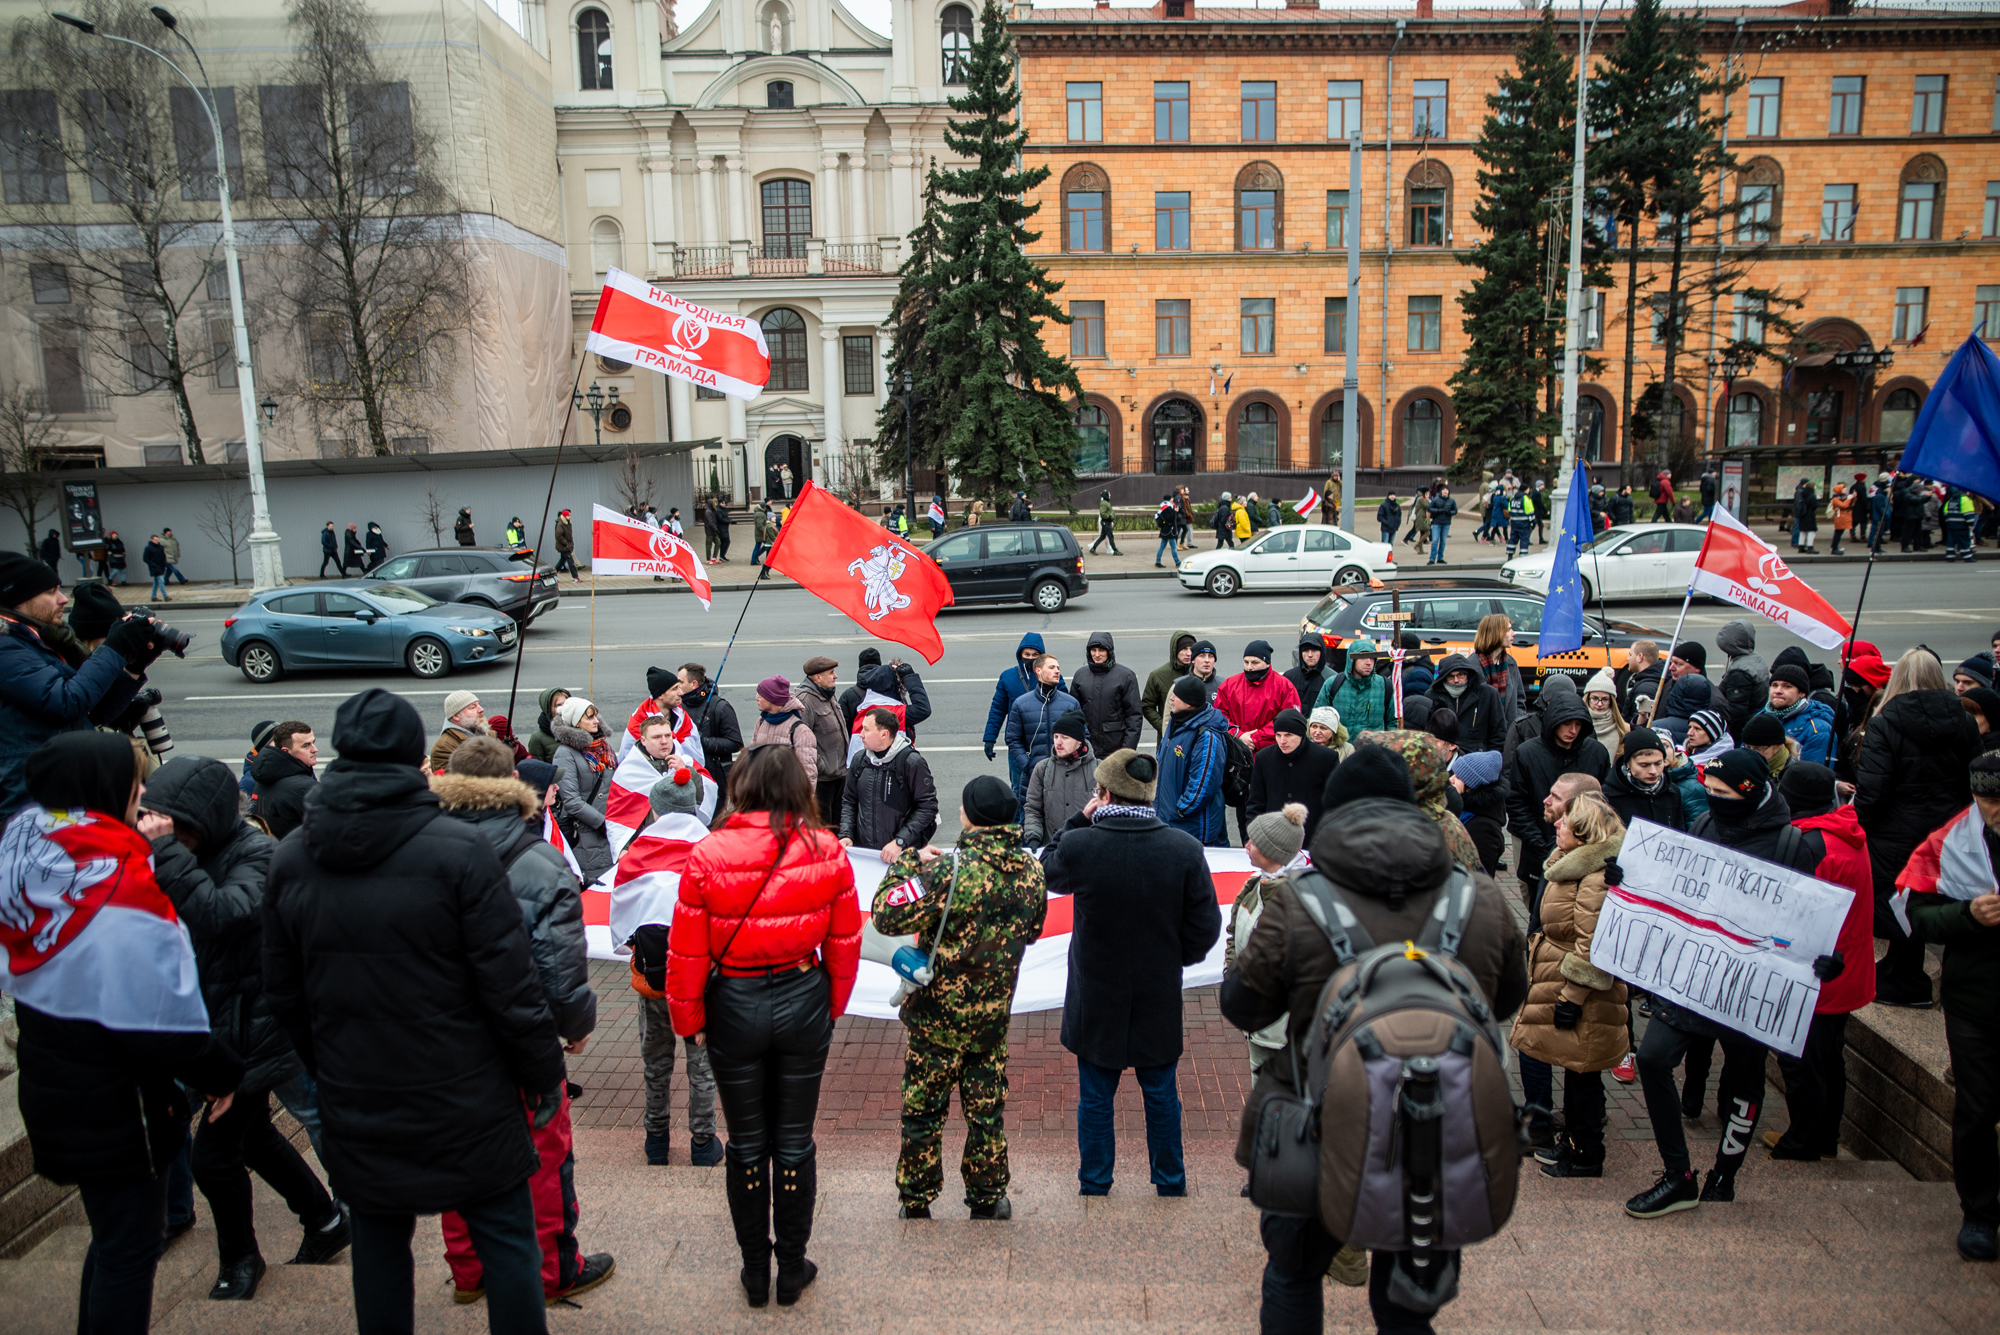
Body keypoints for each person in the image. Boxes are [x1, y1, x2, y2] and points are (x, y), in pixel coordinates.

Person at [262, 689, 567, 1334]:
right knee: (508, 1242)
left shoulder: (291, 857)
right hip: (469, 1089)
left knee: (378, 1244)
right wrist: (541, 1072)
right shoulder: (459, 852)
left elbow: (285, 993)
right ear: (414, 757)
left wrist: (332, 1065)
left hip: (360, 1087)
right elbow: (509, 986)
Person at [1222, 766, 1526, 1335]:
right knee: (1408, 1301)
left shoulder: (1298, 903)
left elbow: (1245, 1008)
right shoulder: (1478, 898)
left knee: (1293, 1275)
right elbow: (1508, 998)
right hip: (1435, 1123)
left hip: (1311, 1115)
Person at [5, 733, 246, 1335]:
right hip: (120, 1102)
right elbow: (159, 1016)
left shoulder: (30, 845)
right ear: (103, 791)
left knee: (111, 1236)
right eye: (133, 785)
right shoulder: (116, 879)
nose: (142, 797)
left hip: (54, 1077)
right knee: (131, 1249)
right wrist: (221, 1074)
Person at [138, 755, 345, 1299]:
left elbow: (224, 913)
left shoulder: (258, 853)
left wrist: (163, 855)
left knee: (213, 1153)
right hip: (219, 1026)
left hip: (258, 1030)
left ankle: (241, 1258)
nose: (167, 837)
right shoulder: (192, 853)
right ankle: (325, 1220)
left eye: (174, 828)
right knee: (253, 1139)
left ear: (200, 818)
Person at [665, 746, 859, 1306]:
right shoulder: (825, 850)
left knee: (748, 1143)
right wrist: (832, 1006)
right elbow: (844, 942)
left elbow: (686, 951)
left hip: (734, 1002)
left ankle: (756, 1269)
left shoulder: (708, 853)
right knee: (794, 1141)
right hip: (803, 997)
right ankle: (792, 1266)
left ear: (741, 787)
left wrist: (690, 1020)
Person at [433, 737, 613, 1304]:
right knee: (543, 1155)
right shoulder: (537, 858)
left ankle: (469, 1271)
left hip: (439, 1037)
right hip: (518, 1033)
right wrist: (575, 1023)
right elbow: (562, 959)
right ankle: (554, 1271)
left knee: (460, 1152)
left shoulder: (417, 846)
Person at [1626, 748, 1829, 1218]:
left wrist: (1821, 959)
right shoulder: (1703, 827)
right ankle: (1677, 1173)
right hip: (1694, 978)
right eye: (1709, 792)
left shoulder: (1791, 845)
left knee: (1743, 1082)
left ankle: (1725, 1173)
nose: (1713, 801)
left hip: (1750, 988)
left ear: (1749, 792)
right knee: (1654, 1059)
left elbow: (1809, 921)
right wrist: (1631, 883)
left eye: (1722, 794)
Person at [1041, 749, 1219, 1197]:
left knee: (1096, 1097)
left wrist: (1079, 821)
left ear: (1103, 792)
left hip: (1096, 991)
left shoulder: (1083, 845)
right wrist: (1173, 960)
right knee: (1161, 1093)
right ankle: (1169, 1180)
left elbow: (1046, 870)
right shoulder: (1182, 848)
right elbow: (1205, 927)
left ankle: (1096, 1182)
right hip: (1156, 990)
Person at [876, 777, 1046, 1219]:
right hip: (991, 1019)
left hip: (934, 1019)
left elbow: (885, 913)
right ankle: (988, 1197)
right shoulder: (1030, 872)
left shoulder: (946, 872)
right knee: (986, 1112)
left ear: (971, 817)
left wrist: (907, 862)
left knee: (923, 1111)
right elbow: (1032, 930)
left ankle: (916, 1199)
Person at [1904, 753, 2000, 1262]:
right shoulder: (1952, 844)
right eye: (1988, 799)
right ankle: (1980, 1214)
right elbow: (1916, 915)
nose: (1997, 810)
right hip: (1975, 1002)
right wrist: (1968, 915)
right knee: (1977, 1109)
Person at [1756, 762, 1875, 1165]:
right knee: (1828, 1058)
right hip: (1847, 965)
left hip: (1818, 972)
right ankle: (1825, 1136)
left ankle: (1802, 1141)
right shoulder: (1847, 832)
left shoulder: (1809, 844)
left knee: (1800, 1061)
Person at [1514, 793, 1629, 1180]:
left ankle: (1586, 1154)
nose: (1555, 824)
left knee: (1584, 1072)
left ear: (1584, 833)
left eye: (1564, 821)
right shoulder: (1570, 866)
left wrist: (1571, 997)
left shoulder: (1594, 878)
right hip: (1561, 978)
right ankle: (1576, 1142)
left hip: (1582, 992)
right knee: (1575, 1067)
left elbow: (1592, 943)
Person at [1856, 648, 1980, 1006]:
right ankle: (1902, 968)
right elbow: (1971, 779)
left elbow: (1874, 790)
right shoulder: (1963, 718)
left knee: (1898, 898)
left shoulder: (1885, 722)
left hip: (1896, 828)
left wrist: (1860, 824)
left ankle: (1905, 977)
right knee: (1923, 895)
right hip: (1947, 827)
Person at [0, 553, 151, 819]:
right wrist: (114, 646)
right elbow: (66, 701)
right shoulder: (6, 648)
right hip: (27, 803)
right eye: (50, 592)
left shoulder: (38, 641)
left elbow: (93, 712)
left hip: (56, 792)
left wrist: (133, 668)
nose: (63, 599)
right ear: (18, 600)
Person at [841, 706, 939, 863]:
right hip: (866, 856)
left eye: (866, 729)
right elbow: (849, 801)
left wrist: (900, 841)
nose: (861, 735)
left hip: (902, 858)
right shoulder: (859, 761)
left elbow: (927, 807)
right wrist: (846, 834)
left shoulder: (911, 762)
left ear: (884, 734)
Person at [1156, 675, 1230, 847]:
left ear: (1189, 703)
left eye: (1177, 695)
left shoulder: (1207, 735)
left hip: (1192, 829)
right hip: (1169, 822)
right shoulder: (1178, 722)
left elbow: (1204, 783)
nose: (1172, 699)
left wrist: (1182, 810)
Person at [551, 696, 618, 883]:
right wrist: (603, 824)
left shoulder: (603, 747)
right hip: (588, 832)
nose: (596, 721)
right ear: (576, 722)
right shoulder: (565, 753)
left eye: (596, 716)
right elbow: (572, 801)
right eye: (589, 717)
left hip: (611, 826)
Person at [1245, 708, 1338, 837]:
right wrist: (1252, 836)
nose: (1282, 741)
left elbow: (1334, 802)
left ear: (1301, 735)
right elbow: (1256, 802)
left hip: (1313, 836)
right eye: (1278, 735)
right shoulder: (1264, 758)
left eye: (1288, 735)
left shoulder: (1326, 758)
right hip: (1273, 836)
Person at [1005, 653, 1081, 803]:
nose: (1057, 671)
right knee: (1032, 819)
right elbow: (1012, 739)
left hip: (1065, 775)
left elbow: (1083, 737)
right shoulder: (1021, 704)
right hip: (1034, 777)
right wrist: (1027, 765)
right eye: (1051, 667)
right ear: (1038, 671)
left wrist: (1071, 763)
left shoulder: (1070, 703)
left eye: (1058, 668)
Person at [983, 634, 1056, 787]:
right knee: (1019, 787)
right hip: (1018, 744)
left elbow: (1065, 705)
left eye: (1035, 655)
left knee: (1048, 787)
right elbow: (998, 709)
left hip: (1045, 741)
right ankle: (1020, 812)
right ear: (1020, 654)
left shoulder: (1052, 675)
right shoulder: (1008, 677)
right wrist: (990, 738)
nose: (1030, 658)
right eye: (1027, 654)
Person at [1215, 639, 1303, 755]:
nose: (1249, 667)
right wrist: (1238, 735)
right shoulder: (1229, 685)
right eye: (1246, 662)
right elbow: (1219, 716)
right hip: (1236, 754)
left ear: (1267, 663)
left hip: (1271, 755)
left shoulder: (1284, 687)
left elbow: (1289, 720)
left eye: (1255, 663)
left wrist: (1255, 739)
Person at [1023, 711, 1095, 846]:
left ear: (1079, 741)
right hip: (1053, 849)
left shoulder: (1100, 770)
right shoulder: (1042, 769)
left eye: (1065, 737)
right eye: (1056, 737)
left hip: (1088, 849)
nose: (1058, 742)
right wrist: (1033, 836)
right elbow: (1033, 808)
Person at [1072, 631, 1143, 759]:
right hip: (1086, 748)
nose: (1097, 654)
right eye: (1093, 650)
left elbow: (1134, 717)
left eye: (1101, 650)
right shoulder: (1080, 676)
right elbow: (1074, 713)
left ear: (1109, 652)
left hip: (1114, 749)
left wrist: (1126, 752)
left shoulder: (1126, 676)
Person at [1602, 728, 1684, 831]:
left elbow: (1679, 832)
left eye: (1658, 763)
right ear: (1628, 763)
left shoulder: (1672, 791)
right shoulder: (1608, 796)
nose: (1653, 771)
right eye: (1644, 765)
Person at [680, 663, 744, 795]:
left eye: (680, 682)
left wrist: (703, 741)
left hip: (714, 778)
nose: (677, 686)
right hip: (686, 776)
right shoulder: (679, 706)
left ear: (694, 684)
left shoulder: (720, 707)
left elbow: (735, 743)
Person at [798, 656, 848, 825]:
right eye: (831, 673)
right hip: (822, 780)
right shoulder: (806, 700)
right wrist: (822, 766)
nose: (835, 676)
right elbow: (800, 740)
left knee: (837, 825)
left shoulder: (827, 694)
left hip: (837, 775)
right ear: (817, 677)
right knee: (823, 828)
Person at [249, 720, 319, 840]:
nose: (314, 749)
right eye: (305, 745)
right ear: (286, 751)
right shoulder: (305, 788)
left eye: (313, 742)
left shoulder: (263, 778)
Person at [1429, 653, 1507, 754]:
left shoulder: (1488, 694)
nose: (1456, 680)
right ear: (1443, 677)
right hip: (1444, 759)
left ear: (1468, 674)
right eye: (1451, 676)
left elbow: (1498, 734)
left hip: (1478, 759)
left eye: (1460, 675)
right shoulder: (1432, 696)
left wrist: (1491, 760)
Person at [1760, 663, 1834, 766]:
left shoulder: (1818, 729)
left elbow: (1813, 775)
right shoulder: (1760, 717)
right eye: (1774, 685)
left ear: (1802, 693)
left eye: (1787, 686)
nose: (1778, 691)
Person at [1449, 748, 1508, 874]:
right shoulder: (1464, 808)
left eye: (1458, 777)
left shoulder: (1484, 828)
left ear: (1472, 785)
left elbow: (1480, 875)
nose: (1451, 780)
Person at [751, 675, 817, 786]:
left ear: (772, 699)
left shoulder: (800, 731)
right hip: (761, 795)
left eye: (760, 695)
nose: (756, 698)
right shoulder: (761, 721)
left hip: (786, 798)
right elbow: (751, 759)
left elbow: (808, 775)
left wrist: (801, 802)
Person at [1314, 637, 1389, 734]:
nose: (1368, 663)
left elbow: (1393, 722)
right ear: (1352, 660)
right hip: (1341, 747)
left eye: (1372, 658)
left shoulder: (1384, 686)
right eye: (1363, 658)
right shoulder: (1333, 684)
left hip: (1372, 747)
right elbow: (1318, 719)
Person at [1142, 629, 1198, 746]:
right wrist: (1164, 726)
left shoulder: (1199, 673)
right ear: (1175, 651)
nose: (1188, 653)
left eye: (1191, 649)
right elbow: (1147, 706)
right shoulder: (1158, 675)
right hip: (1168, 738)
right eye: (1184, 649)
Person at [430, 690, 486, 773]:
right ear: (456, 716)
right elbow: (452, 782)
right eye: (473, 707)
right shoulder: (443, 748)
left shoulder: (486, 732)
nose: (481, 709)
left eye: (479, 704)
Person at [1284, 633, 1332, 713]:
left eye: (1314, 650)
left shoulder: (1331, 679)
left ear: (1322, 652)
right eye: (1306, 650)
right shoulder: (1289, 677)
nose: (1310, 655)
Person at [526, 686, 569, 763]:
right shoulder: (537, 738)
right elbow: (538, 769)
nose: (563, 708)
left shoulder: (580, 727)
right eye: (558, 705)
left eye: (566, 704)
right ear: (549, 709)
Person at [1425, 484, 1457, 565]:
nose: (1445, 491)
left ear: (1449, 491)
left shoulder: (1451, 501)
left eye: (1447, 490)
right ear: (1441, 491)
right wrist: (1438, 510)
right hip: (1437, 523)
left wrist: (1450, 512)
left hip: (1446, 523)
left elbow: (1455, 511)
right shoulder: (1436, 500)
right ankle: (1432, 558)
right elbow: (1430, 508)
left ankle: (1440, 558)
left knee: (1443, 541)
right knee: (1435, 541)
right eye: (1444, 490)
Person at [1152, 493, 1180, 567]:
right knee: (1173, 546)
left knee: (1162, 545)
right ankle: (1177, 562)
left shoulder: (1165, 507)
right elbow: (1169, 518)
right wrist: (1175, 512)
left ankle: (1158, 561)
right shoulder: (1167, 507)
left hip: (1165, 530)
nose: (1173, 500)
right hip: (1169, 530)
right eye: (1171, 499)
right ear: (1169, 499)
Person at [1089, 490, 1120, 555]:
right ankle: (1115, 550)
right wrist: (1109, 517)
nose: (1110, 495)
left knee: (1102, 536)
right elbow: (1102, 513)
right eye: (1109, 494)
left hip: (1106, 522)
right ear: (1106, 495)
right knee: (1110, 536)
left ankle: (1093, 548)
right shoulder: (1104, 503)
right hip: (1106, 522)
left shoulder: (1106, 503)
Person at [143, 534, 170, 600]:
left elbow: (163, 556)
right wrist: (152, 564)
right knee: (161, 580)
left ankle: (153, 596)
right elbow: (145, 558)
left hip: (161, 566)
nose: (157, 541)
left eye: (157, 539)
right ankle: (165, 596)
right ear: (151, 540)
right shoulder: (148, 548)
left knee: (156, 582)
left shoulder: (160, 547)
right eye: (155, 540)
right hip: (154, 567)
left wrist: (164, 564)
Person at [554, 508, 579, 580]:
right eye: (568, 516)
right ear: (565, 516)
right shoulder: (561, 524)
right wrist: (566, 543)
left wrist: (571, 544)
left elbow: (570, 535)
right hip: (564, 546)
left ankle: (554, 573)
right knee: (571, 561)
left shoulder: (568, 523)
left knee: (562, 561)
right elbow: (559, 535)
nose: (570, 517)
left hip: (567, 546)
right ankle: (575, 577)